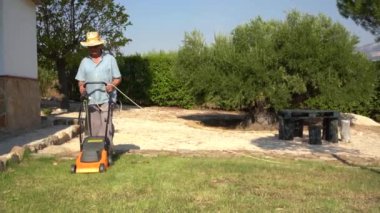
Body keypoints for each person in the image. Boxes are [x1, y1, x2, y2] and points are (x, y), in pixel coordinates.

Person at [75, 31, 122, 152]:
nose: (93, 49)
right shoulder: (84, 62)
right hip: (91, 100)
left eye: (95, 46)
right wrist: (82, 88)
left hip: (107, 99)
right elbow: (80, 81)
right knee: (93, 128)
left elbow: (118, 78)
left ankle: (107, 151)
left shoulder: (110, 59)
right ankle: (94, 151)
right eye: (90, 47)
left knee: (106, 127)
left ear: (101, 46)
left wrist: (112, 85)